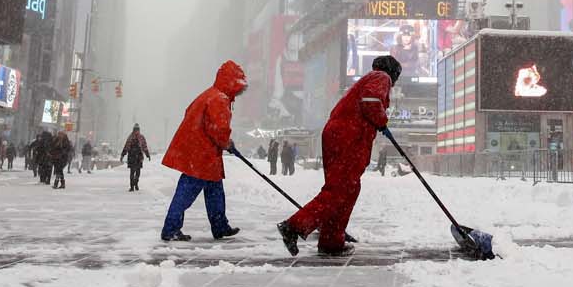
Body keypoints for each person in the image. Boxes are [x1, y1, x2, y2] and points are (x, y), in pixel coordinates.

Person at [278, 55, 399, 257]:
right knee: (340, 190)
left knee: (347, 189)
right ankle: (294, 226)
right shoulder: (381, 77)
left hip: (341, 136)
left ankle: (331, 241)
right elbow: (371, 101)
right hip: (347, 137)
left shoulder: (369, 78)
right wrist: (382, 121)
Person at [160, 60, 248, 242]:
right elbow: (218, 128)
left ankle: (220, 226)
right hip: (201, 156)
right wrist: (226, 143)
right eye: (238, 88)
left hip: (203, 153)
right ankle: (170, 229)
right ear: (231, 83)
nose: (238, 93)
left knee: (215, 190)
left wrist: (222, 142)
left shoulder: (210, 95)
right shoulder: (219, 99)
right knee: (185, 194)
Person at [120, 124, 150, 192]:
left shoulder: (134, 137)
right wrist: (147, 155)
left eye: (137, 129)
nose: (136, 131)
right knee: (135, 172)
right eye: (136, 129)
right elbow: (144, 147)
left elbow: (127, 146)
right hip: (135, 157)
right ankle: (133, 185)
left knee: (135, 172)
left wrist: (147, 154)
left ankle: (134, 184)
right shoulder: (136, 137)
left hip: (135, 157)